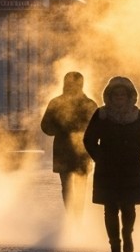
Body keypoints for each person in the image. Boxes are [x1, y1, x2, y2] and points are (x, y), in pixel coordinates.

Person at [83, 76, 140, 252]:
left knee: (129, 208)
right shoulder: (101, 115)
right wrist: (100, 158)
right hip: (107, 170)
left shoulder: (137, 115)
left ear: (130, 96)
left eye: (123, 94)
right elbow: (89, 139)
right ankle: (115, 245)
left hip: (131, 168)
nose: (119, 97)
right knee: (110, 208)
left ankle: (127, 233)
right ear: (109, 96)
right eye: (116, 94)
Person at [41, 71, 99, 217]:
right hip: (71, 150)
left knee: (75, 186)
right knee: (73, 186)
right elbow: (46, 126)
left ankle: (75, 216)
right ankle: (74, 217)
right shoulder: (88, 103)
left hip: (77, 150)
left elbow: (98, 127)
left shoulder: (87, 104)